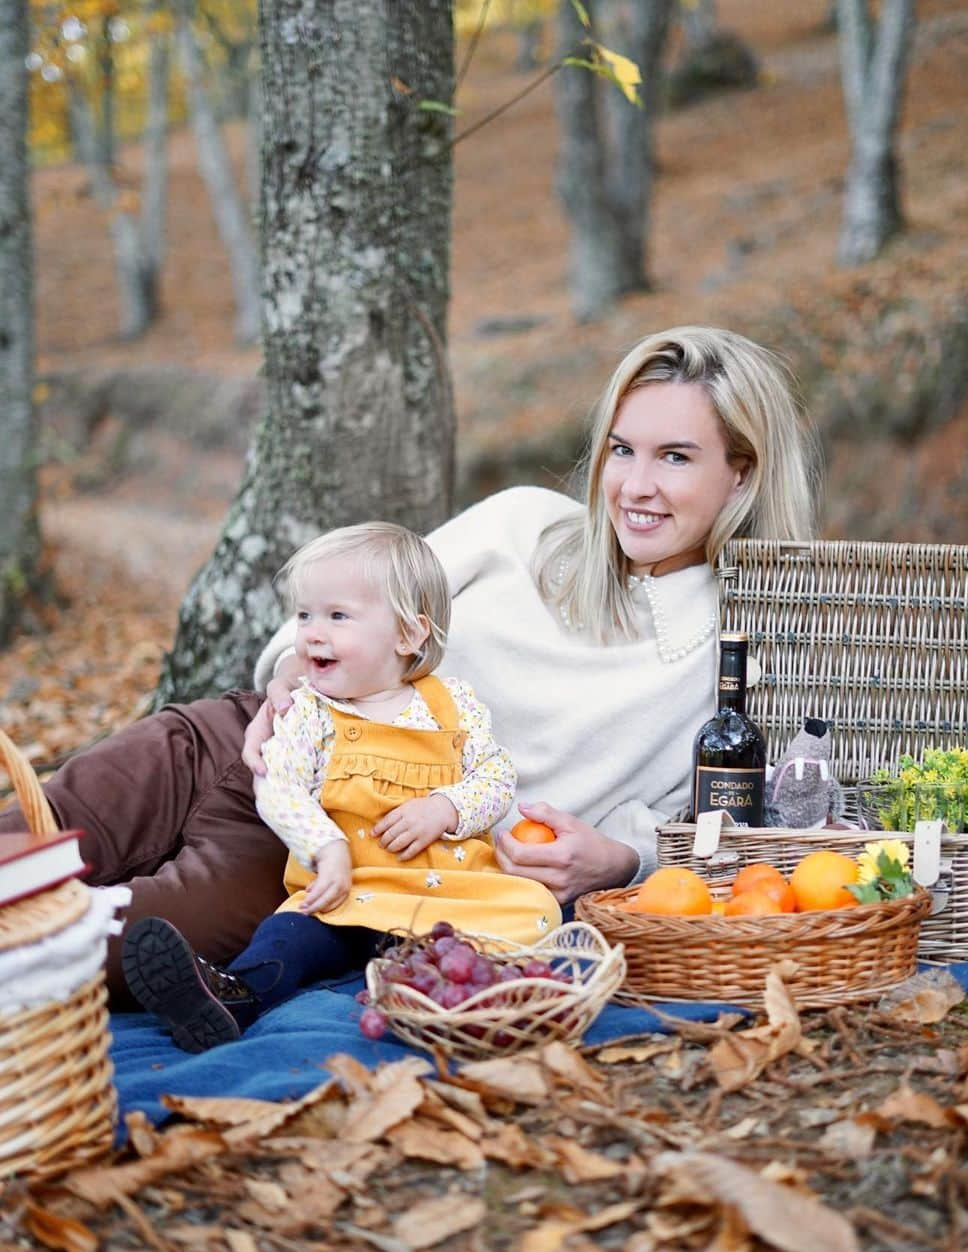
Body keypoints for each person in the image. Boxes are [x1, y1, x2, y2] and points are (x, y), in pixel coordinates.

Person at [0, 325, 819, 1007]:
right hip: (236, 740)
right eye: (621, 450)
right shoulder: (523, 525)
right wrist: (288, 675)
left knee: (73, 942)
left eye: (675, 457)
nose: (635, 485)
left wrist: (622, 858)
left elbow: (733, 828)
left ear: (740, 471)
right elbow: (344, 602)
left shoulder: (740, 650)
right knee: (26, 840)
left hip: (349, 858)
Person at [120, 523, 560, 1050]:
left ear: (408, 635)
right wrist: (324, 847)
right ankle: (227, 997)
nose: (310, 633)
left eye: (337, 616)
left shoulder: (453, 704)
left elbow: (495, 776)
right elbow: (278, 787)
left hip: (449, 895)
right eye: (304, 615)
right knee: (288, 937)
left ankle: (477, 993)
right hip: (348, 892)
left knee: (534, 908)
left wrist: (445, 808)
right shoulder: (310, 709)